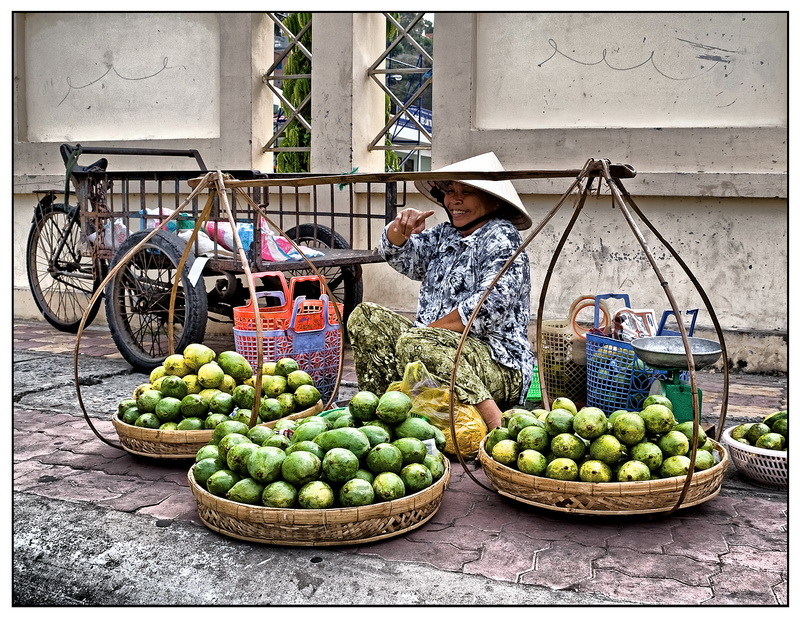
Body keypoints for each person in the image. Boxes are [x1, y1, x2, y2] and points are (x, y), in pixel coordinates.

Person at [346, 152, 535, 430]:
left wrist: (423, 337)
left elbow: (485, 308)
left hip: (496, 362)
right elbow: (401, 255)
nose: (455, 199)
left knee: (414, 344)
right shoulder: (445, 234)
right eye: (450, 191)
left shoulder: (502, 238)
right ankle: (385, 416)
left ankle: (496, 424)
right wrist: (401, 229)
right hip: (433, 349)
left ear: (493, 200)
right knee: (365, 317)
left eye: (466, 192)